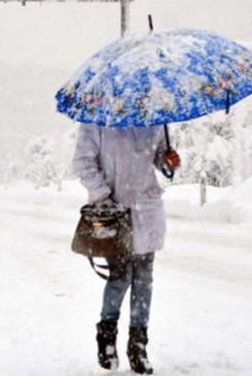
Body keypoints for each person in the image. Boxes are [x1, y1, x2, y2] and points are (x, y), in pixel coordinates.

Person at [72, 124, 180, 375]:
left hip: (147, 209)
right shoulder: (97, 119)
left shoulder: (154, 119)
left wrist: (169, 161)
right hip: (114, 212)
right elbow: (82, 162)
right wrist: (103, 197)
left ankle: (138, 346)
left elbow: (161, 159)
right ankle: (107, 336)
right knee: (120, 278)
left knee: (144, 280)